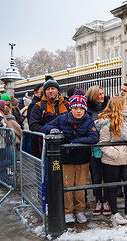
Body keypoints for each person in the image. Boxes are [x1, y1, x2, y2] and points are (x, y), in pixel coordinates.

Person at [43, 90, 98, 224]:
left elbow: (93, 137)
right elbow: (46, 126)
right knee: (67, 185)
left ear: (85, 109)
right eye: (75, 108)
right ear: (71, 109)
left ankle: (79, 210)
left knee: (80, 186)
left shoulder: (89, 121)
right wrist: (52, 130)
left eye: (81, 108)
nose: (78, 111)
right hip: (66, 160)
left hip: (83, 159)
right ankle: (68, 211)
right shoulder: (62, 118)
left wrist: (75, 142)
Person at [96, 97, 127, 225]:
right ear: (119, 106)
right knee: (112, 187)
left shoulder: (126, 120)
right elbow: (103, 144)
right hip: (112, 160)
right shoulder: (107, 123)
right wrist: (116, 154)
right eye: (125, 104)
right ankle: (114, 213)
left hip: (125, 159)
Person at [29, 76, 69, 158]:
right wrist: (48, 131)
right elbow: (33, 125)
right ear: (45, 91)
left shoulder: (67, 104)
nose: (50, 91)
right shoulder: (38, 106)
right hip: (45, 147)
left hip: (65, 145)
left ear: (58, 90)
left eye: (53, 88)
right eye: (48, 89)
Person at [86, 85, 111, 216]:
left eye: (102, 93)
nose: (102, 96)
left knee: (107, 175)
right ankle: (98, 200)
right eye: (98, 94)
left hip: (108, 146)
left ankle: (106, 201)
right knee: (96, 176)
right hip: (94, 147)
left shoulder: (109, 106)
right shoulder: (87, 109)